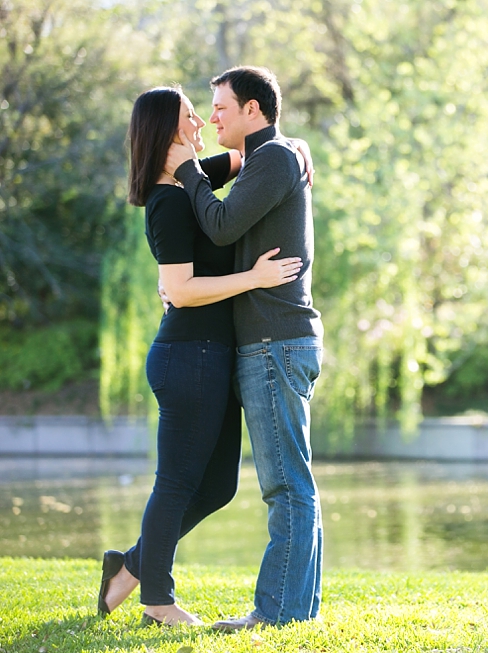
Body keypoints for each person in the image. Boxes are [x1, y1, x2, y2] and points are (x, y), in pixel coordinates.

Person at [97, 86, 302, 626]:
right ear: (169, 130)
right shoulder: (166, 201)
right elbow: (182, 290)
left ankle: (130, 565)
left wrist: (298, 148)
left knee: (219, 486)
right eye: (193, 116)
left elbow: (252, 156)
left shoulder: (194, 178)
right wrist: (254, 279)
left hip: (213, 355)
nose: (204, 122)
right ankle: (157, 600)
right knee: (178, 482)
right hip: (188, 354)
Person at [165, 66, 324, 631]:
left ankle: (277, 611)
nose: (212, 118)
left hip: (275, 342)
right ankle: (294, 609)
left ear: (254, 110)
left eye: (222, 108)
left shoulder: (275, 158)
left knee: (285, 485)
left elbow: (222, 225)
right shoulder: (269, 158)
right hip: (267, 343)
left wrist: (187, 171)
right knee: (290, 484)